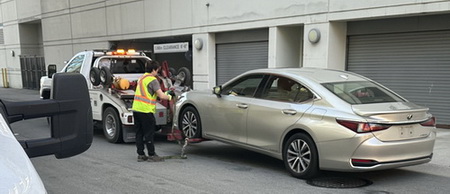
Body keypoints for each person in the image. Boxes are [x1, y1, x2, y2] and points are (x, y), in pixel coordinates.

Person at [132, 60, 174, 162]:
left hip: (136, 109)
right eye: (157, 70)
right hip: (146, 110)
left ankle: (141, 154)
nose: (157, 72)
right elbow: (161, 95)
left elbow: (148, 93)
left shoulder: (141, 78)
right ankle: (152, 155)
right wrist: (169, 96)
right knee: (149, 133)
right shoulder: (153, 80)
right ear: (154, 70)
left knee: (139, 133)